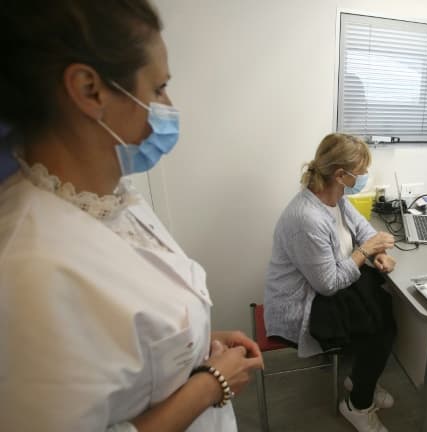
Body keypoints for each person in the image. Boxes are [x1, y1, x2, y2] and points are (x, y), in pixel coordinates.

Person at [0, 1, 263, 431]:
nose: (168, 104)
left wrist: (198, 345)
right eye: (158, 88)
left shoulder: (111, 198)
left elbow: (122, 345)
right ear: (90, 90)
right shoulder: (28, 269)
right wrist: (210, 383)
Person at [265, 133, 398, 432]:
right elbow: (328, 283)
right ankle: (358, 405)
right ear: (341, 174)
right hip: (302, 304)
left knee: (382, 304)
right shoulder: (306, 217)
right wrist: (367, 250)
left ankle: (360, 380)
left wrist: (378, 252)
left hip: (325, 285)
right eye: (361, 171)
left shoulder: (336, 198)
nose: (364, 176)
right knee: (381, 329)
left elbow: (363, 230)